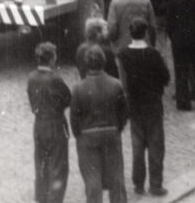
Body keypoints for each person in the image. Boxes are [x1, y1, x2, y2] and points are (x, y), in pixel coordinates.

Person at [116, 18, 170, 197]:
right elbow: (165, 77)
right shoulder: (153, 54)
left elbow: (123, 80)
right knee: (156, 145)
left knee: (137, 146)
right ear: (146, 33)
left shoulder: (123, 54)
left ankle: (138, 184)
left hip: (134, 104)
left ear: (130, 33)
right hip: (153, 104)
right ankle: (156, 184)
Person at [70, 46, 129, 203]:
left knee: (92, 182)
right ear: (104, 62)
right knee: (116, 179)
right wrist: (117, 129)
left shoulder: (78, 88)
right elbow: (124, 113)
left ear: (87, 64)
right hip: (111, 133)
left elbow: (74, 120)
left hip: (87, 137)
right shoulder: (116, 85)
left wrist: (81, 136)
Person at [27, 42, 72, 203]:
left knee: (41, 164)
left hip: (39, 124)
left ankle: (41, 198)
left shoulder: (31, 77)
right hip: (56, 125)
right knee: (58, 166)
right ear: (52, 59)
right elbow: (68, 98)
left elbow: (32, 101)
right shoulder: (55, 79)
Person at [106, 0, 156, 78]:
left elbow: (112, 29)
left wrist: (113, 42)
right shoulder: (145, 0)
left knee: (125, 79)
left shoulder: (115, 2)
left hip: (122, 48)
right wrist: (151, 43)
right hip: (143, 45)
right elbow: (152, 26)